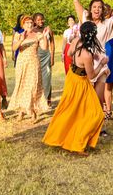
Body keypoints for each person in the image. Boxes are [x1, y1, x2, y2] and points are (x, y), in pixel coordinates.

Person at [73, 0, 113, 132]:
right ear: (91, 9)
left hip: (102, 64)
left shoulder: (108, 22)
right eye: (94, 6)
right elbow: (76, 1)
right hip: (87, 62)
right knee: (85, 98)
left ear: (103, 9)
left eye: (100, 7)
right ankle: (84, 125)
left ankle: (98, 127)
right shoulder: (85, 18)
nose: (97, 9)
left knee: (98, 99)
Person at [42, 21, 106, 156]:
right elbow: (92, 76)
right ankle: (77, 143)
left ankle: (70, 139)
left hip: (72, 76)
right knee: (96, 113)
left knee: (71, 110)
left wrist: (82, 60)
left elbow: (70, 54)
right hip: (80, 83)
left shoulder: (76, 40)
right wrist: (101, 64)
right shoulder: (87, 55)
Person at [8, 15, 50, 121]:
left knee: (32, 87)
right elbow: (14, 48)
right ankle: (21, 111)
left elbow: (45, 48)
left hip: (33, 62)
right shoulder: (18, 35)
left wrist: (44, 36)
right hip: (21, 63)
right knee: (21, 85)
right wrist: (21, 40)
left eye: (31, 23)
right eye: (27, 23)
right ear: (23, 24)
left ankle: (33, 112)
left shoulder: (38, 34)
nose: (30, 25)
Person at [33, 13, 54, 106]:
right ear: (34, 21)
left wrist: (52, 56)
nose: (40, 21)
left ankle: (48, 99)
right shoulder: (33, 31)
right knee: (37, 78)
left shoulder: (48, 29)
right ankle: (38, 99)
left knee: (47, 78)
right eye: (38, 20)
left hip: (46, 56)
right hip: (37, 56)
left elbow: (52, 43)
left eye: (42, 19)